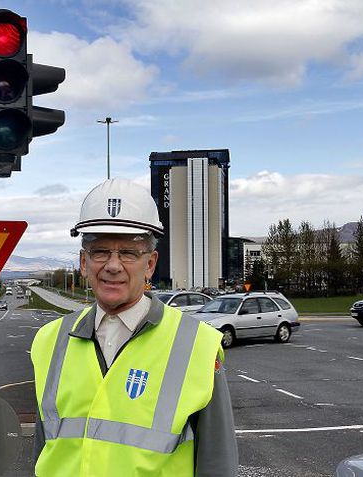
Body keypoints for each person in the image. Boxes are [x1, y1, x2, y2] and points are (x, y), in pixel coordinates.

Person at [30, 178, 238, 476]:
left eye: (128, 253)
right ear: (83, 262)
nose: (113, 266)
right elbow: (44, 451)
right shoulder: (48, 342)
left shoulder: (197, 345)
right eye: (100, 251)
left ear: (150, 264)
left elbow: (218, 464)